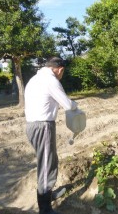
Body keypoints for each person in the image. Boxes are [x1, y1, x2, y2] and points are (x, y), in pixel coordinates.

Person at [25, 57, 78, 214]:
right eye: (63, 72)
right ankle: (45, 208)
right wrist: (76, 105)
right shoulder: (51, 80)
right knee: (47, 166)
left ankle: (48, 195)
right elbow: (67, 105)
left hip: (33, 126)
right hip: (43, 127)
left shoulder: (35, 79)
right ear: (60, 69)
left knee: (49, 161)